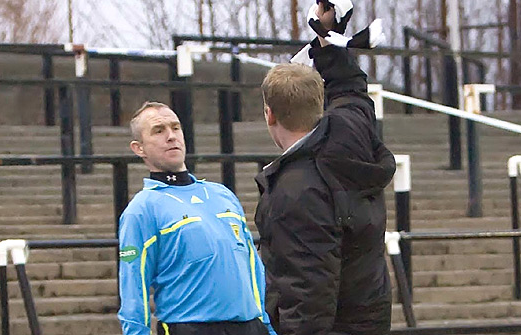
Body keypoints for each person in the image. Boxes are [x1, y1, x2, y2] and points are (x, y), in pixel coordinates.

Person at [254, 3, 396, 335]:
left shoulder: (294, 193)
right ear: (321, 103)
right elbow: (352, 92)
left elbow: (307, 298)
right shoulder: (351, 137)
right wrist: (328, 38)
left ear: (269, 115)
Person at [118, 101, 276, 335]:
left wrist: (269, 326)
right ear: (138, 148)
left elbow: (253, 267)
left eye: (175, 127)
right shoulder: (142, 209)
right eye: (158, 131)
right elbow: (133, 289)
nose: (171, 136)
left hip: (250, 327)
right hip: (190, 328)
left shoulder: (222, 195)